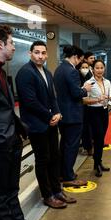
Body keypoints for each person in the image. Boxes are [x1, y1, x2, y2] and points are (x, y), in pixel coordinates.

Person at [0, 25, 50, 220]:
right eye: (11, 42)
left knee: (11, 189)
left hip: (10, 140)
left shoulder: (2, 71)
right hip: (1, 142)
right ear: (0, 44)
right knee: (1, 193)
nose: (13, 46)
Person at [15, 41, 76, 209]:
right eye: (36, 52)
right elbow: (30, 102)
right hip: (37, 125)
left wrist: (57, 113)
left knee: (54, 158)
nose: (40, 56)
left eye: (43, 53)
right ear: (30, 54)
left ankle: (57, 191)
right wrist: (50, 116)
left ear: (47, 54)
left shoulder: (47, 73)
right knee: (43, 160)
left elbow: (52, 98)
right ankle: (47, 195)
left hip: (50, 123)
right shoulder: (25, 73)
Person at [54, 45, 93, 187]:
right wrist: (85, 89)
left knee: (64, 144)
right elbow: (76, 93)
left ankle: (61, 173)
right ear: (75, 56)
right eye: (80, 59)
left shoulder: (59, 69)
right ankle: (69, 177)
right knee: (71, 146)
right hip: (73, 115)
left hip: (63, 114)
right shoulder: (71, 71)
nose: (80, 63)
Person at [83, 59, 111, 177]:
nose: (100, 70)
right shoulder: (88, 83)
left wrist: (110, 100)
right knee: (98, 138)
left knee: (101, 138)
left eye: (101, 68)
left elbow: (110, 97)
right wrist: (97, 100)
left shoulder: (108, 82)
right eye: (97, 68)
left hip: (104, 112)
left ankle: (99, 163)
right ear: (93, 69)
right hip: (93, 112)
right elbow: (83, 100)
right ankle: (96, 165)